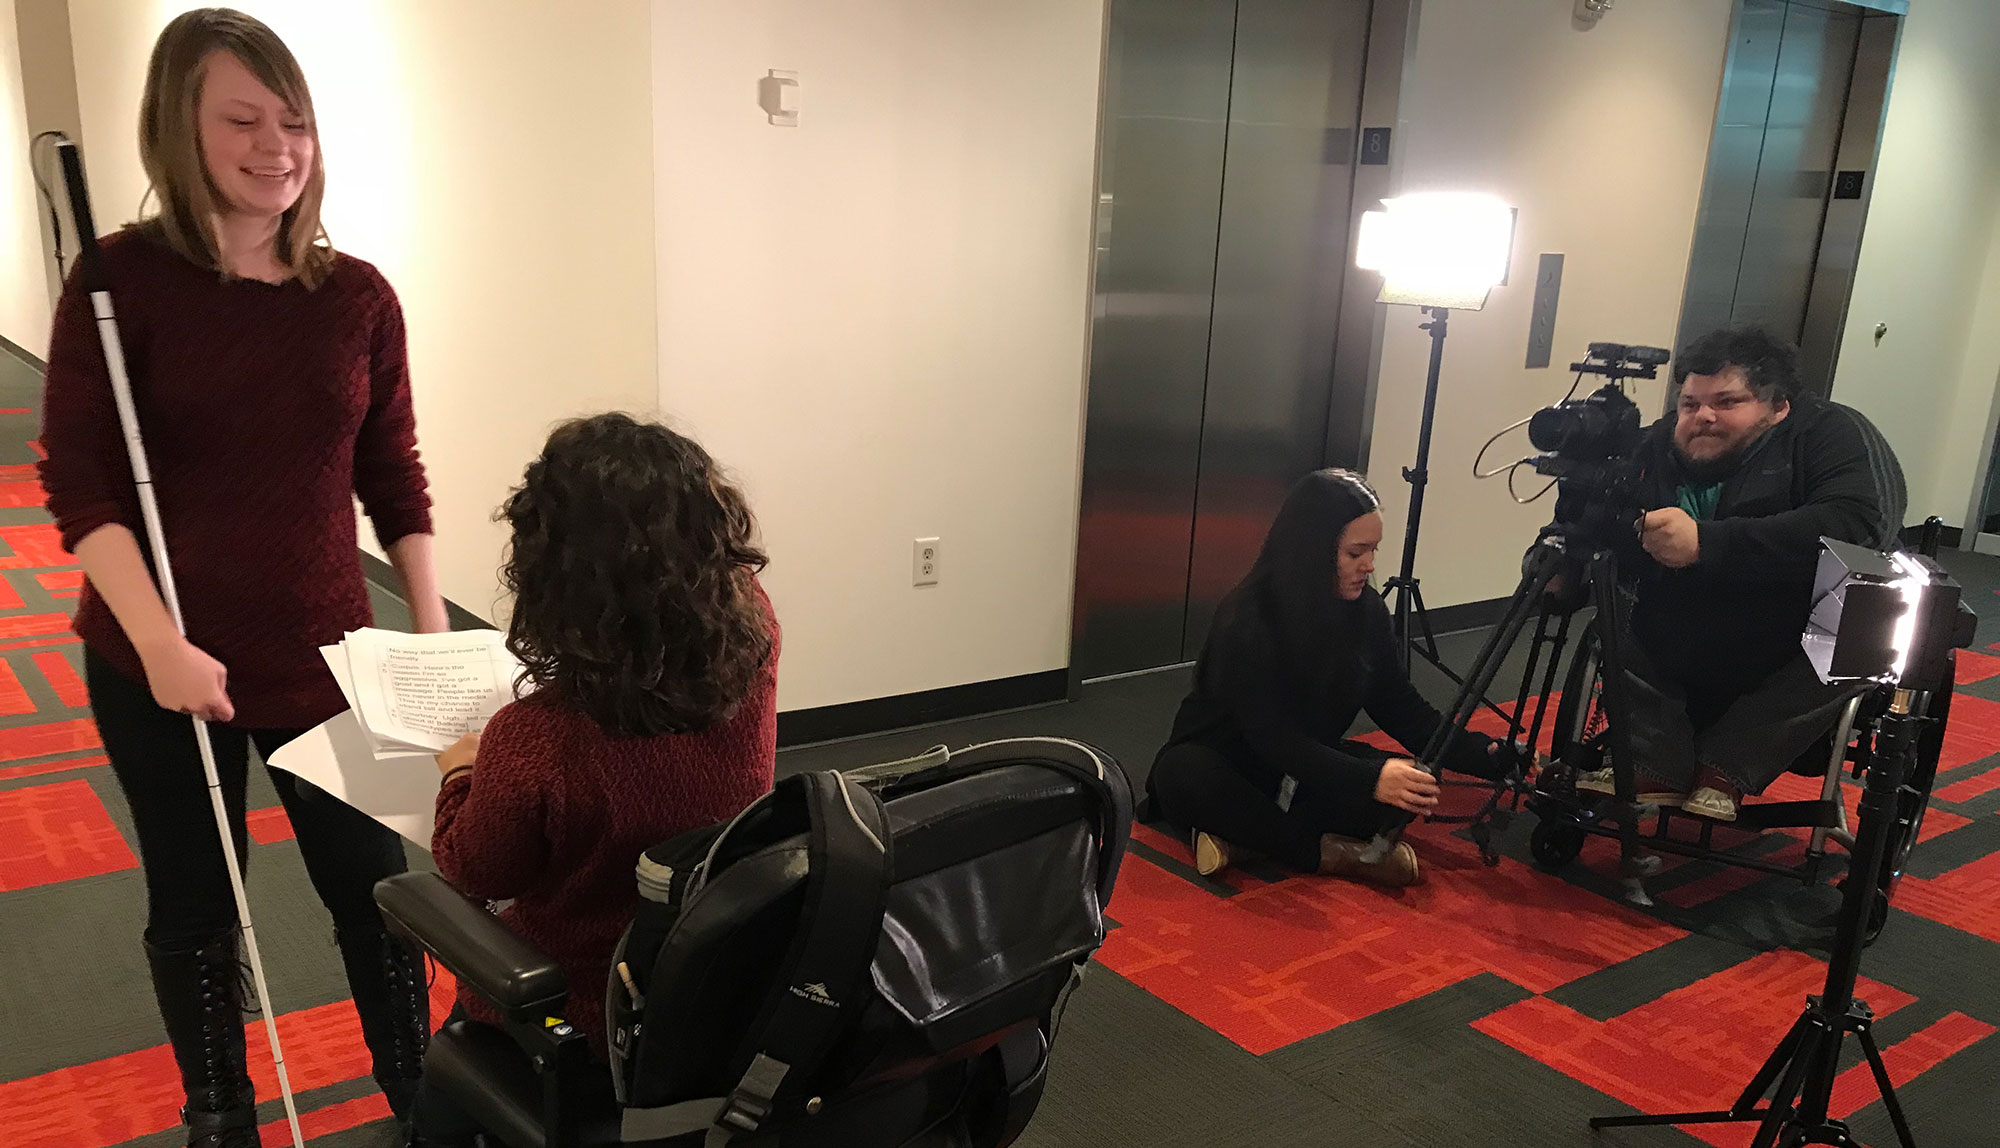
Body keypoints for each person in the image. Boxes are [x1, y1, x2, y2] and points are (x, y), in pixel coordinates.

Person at [38, 11, 445, 1146]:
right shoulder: (120, 283)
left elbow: (393, 474)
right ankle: (220, 1105)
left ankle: (418, 1090)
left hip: (323, 651)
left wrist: (422, 633)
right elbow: (82, 485)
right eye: (243, 119)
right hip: (159, 657)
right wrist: (161, 643)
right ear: (181, 124)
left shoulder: (355, 296)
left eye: (295, 120)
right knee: (197, 902)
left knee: (373, 886)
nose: (277, 145)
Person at [411, 414, 780, 1146]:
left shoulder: (536, 737)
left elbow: (474, 869)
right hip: (717, 980)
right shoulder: (757, 632)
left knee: (454, 1049)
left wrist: (460, 770)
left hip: (578, 1016)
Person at [1572, 325, 1906, 820]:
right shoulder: (1657, 445)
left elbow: (1860, 524)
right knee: (1613, 588)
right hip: (1683, 623)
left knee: (1869, 623)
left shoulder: (1833, 433)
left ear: (1778, 408)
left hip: (1796, 628)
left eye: (1727, 402)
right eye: (1690, 404)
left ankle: (1727, 767)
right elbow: (1595, 518)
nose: (1703, 416)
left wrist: (1709, 544)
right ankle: (1653, 762)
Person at [1146, 469, 1509, 886]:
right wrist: (1369, 780)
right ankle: (1326, 854)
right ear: (1313, 551)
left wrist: (1487, 756)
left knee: (1411, 784)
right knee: (1184, 774)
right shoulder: (1249, 619)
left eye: (1373, 551)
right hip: (1228, 762)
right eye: (1355, 554)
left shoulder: (1367, 612)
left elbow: (1402, 707)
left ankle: (1245, 839)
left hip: (1297, 773)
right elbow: (1273, 739)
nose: (1369, 566)